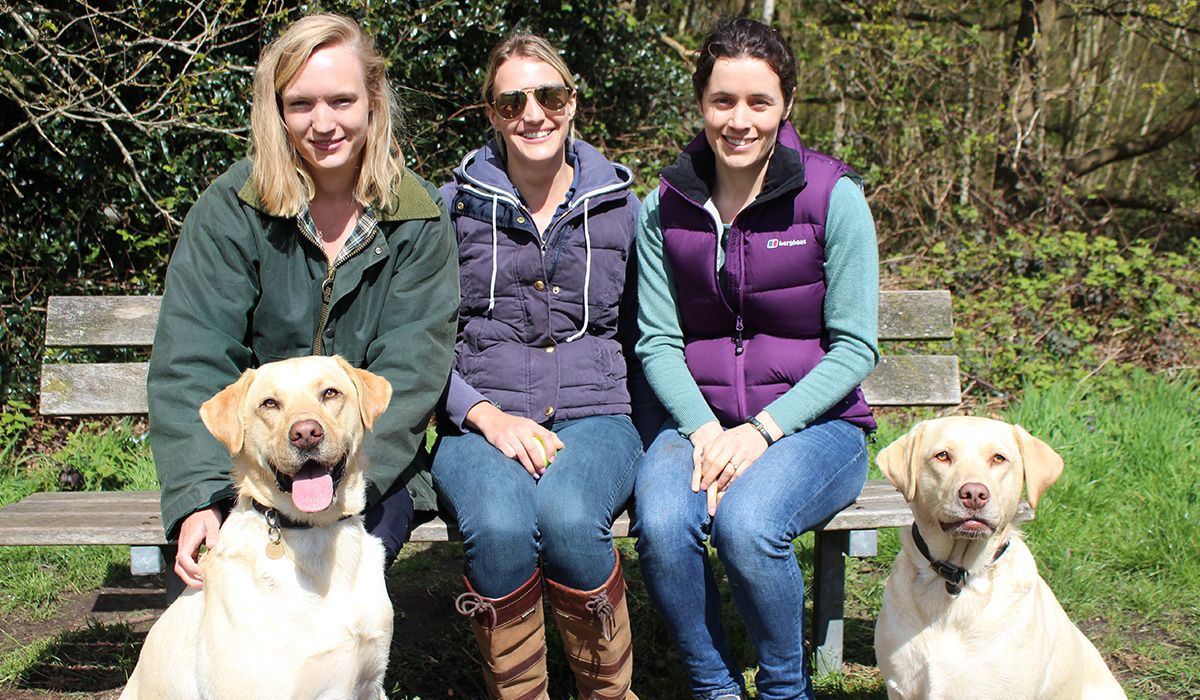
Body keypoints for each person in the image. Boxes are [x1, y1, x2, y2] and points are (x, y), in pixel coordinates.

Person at [147, 13, 458, 588]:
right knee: (227, 624)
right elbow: (193, 359)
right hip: (247, 477)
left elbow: (412, 369)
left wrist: (344, 477)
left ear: (373, 101)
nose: (323, 123)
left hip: (368, 471)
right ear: (276, 110)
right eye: (300, 104)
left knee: (337, 596)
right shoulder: (232, 210)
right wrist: (201, 497)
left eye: (341, 100)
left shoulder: (416, 218)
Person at [631, 17, 880, 700]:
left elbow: (856, 345)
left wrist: (763, 430)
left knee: (748, 525)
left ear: (786, 106)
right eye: (723, 101)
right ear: (701, 104)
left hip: (816, 426)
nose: (739, 121)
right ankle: (713, 687)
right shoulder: (663, 206)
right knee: (660, 523)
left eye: (758, 102)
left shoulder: (834, 197)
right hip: (700, 424)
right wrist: (707, 431)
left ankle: (782, 688)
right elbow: (656, 338)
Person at [432, 31, 644, 700]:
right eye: (512, 100)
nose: (534, 114)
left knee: (571, 513)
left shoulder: (619, 205)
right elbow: (419, 341)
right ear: (490, 113)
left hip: (598, 415)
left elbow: (650, 328)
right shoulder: (452, 207)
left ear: (573, 102)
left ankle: (608, 692)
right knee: (497, 523)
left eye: (549, 95)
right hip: (480, 421)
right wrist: (483, 415)